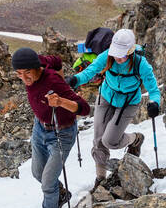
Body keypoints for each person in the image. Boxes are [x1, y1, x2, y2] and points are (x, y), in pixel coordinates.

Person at [67, 27, 160, 186]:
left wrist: (155, 103)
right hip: (106, 97)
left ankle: (135, 139)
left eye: (123, 54)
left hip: (128, 102)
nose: (118, 58)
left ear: (131, 51)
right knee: (98, 140)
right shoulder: (107, 56)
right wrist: (76, 80)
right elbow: (90, 71)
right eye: (116, 53)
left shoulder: (140, 64)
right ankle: (100, 179)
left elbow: (153, 88)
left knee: (110, 141)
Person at [12, 46, 90, 208]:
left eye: (27, 73)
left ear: (36, 69)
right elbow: (56, 60)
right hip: (39, 128)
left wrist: (61, 100)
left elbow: (85, 108)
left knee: (47, 181)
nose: (24, 79)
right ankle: (61, 194)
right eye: (19, 74)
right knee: (38, 173)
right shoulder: (37, 61)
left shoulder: (53, 81)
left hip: (61, 134)